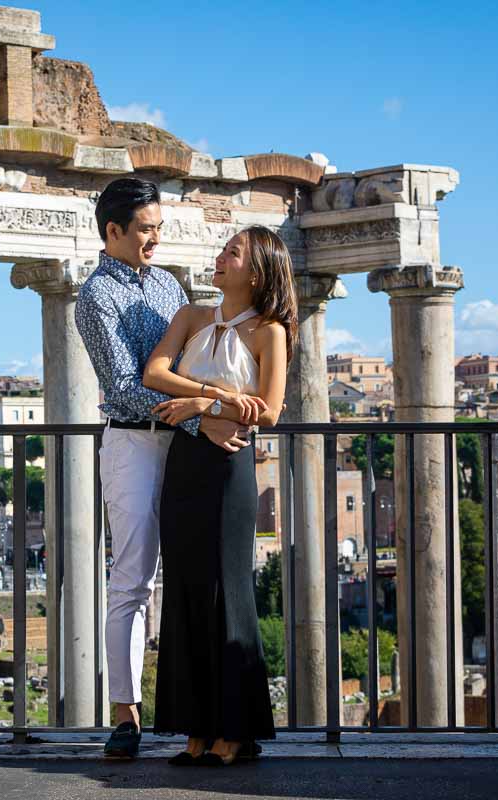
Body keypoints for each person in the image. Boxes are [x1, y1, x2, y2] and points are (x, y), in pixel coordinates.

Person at [75, 178, 252, 759]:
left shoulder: (169, 285)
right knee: (132, 577)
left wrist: (205, 411)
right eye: (145, 229)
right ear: (113, 232)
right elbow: (122, 387)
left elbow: (184, 363)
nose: (154, 238)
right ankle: (126, 715)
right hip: (134, 443)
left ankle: (204, 716)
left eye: (158, 228)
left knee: (188, 578)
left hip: (183, 445)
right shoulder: (94, 296)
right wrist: (205, 414)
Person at [143, 225, 298, 766]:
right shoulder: (190, 316)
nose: (219, 256)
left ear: (254, 272)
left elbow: (270, 411)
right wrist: (216, 396)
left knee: (229, 591)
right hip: (185, 464)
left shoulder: (269, 331)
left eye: (231, 252)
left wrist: (202, 409)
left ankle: (235, 729)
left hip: (230, 466)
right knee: (185, 587)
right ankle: (195, 728)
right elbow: (154, 373)